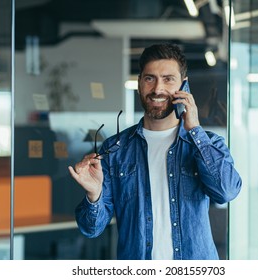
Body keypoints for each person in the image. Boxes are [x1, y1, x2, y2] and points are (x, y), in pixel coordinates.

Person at [68, 43, 242, 260]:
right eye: (150, 78)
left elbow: (226, 191)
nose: (158, 89)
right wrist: (94, 195)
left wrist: (195, 130)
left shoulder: (207, 143)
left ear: (184, 87)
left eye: (168, 79)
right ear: (140, 83)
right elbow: (91, 229)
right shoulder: (115, 150)